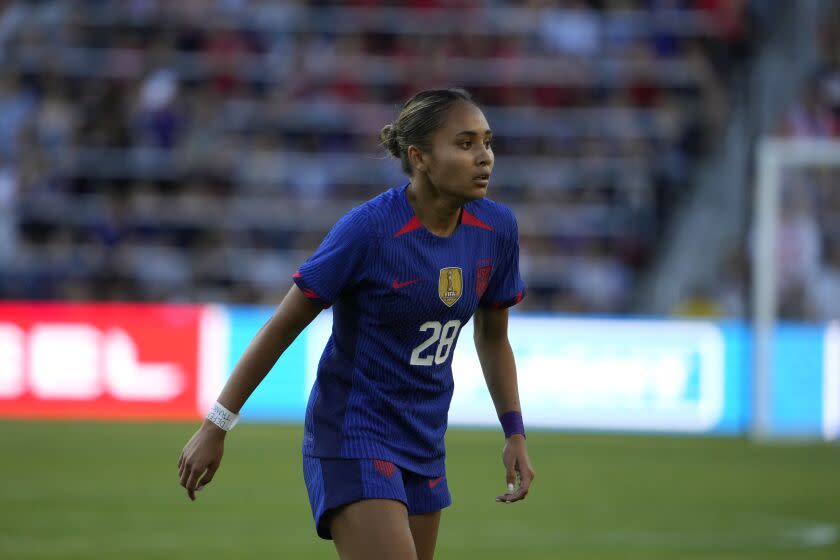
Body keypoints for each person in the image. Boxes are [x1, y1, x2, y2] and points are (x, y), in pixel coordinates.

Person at [177, 88, 535, 559]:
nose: (484, 157)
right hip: (353, 432)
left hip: (425, 438)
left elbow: (493, 338)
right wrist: (216, 425)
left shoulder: (497, 230)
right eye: (465, 144)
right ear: (419, 157)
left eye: (487, 142)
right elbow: (282, 326)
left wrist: (514, 432)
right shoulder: (369, 230)